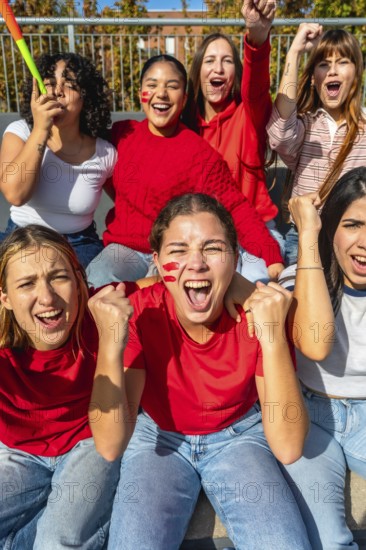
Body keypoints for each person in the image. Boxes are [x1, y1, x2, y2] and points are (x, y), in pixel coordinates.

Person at [89, 193, 311, 550]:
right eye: (178, 250)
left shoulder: (260, 314)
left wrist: (273, 340)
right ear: (158, 264)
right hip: (158, 439)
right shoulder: (139, 312)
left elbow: (287, 447)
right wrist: (110, 345)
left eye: (212, 248)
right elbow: (111, 444)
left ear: (236, 260)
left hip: (239, 435)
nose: (195, 263)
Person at [86, 53, 284, 288]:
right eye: (152, 85)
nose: (161, 93)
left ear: (184, 98)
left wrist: (271, 256)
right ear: (141, 93)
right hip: (126, 251)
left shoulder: (200, 154)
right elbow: (77, 136)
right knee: (98, 278)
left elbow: (235, 207)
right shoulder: (122, 134)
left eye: (172, 86)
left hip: (177, 250)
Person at [0, 224, 142, 549]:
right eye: (26, 284)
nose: (47, 297)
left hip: (90, 440)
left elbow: (169, 289)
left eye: (58, 277)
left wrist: (237, 285)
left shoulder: (101, 307)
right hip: (18, 450)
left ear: (79, 281)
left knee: (57, 542)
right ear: (5, 298)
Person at [276, 166, 366, 549]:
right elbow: (315, 341)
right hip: (310, 415)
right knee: (329, 540)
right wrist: (309, 233)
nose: (364, 242)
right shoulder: (299, 279)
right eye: (352, 225)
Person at [183, 0, 284, 280]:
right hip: (203, 235)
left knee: (258, 290)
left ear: (235, 75)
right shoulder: (184, 125)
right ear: (198, 70)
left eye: (227, 61)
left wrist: (257, 36)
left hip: (256, 232)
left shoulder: (250, 113)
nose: (218, 68)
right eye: (210, 60)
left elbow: (257, 82)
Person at [0, 53, 117, 268]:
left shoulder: (106, 153)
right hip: (23, 237)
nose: (57, 91)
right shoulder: (20, 133)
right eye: (50, 83)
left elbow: (127, 202)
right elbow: (15, 194)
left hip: (80, 246)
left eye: (69, 84)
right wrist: (41, 129)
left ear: (85, 96)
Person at [267, 24, 366, 265]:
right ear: (314, 79)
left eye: (342, 62)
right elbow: (279, 134)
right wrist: (294, 54)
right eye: (323, 64)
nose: (332, 71)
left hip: (355, 245)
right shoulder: (305, 124)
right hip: (302, 241)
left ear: (356, 73)